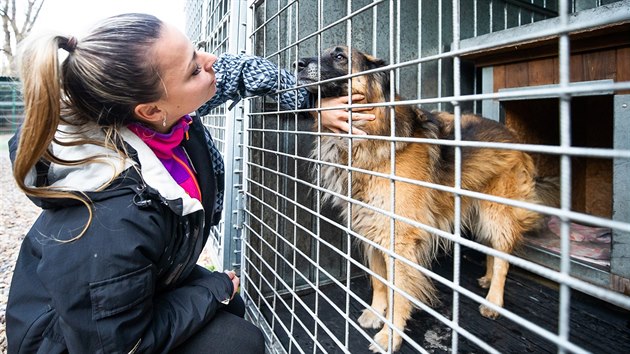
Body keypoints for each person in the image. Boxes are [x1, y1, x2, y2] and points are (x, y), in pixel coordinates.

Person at [5, 13, 374, 354]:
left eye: (196, 50)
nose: (210, 60)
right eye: (194, 69)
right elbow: (119, 344)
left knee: (234, 307)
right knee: (239, 342)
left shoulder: (166, 115)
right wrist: (213, 288)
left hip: (136, 286)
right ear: (150, 111)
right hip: (73, 342)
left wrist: (311, 104)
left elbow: (239, 71)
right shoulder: (110, 220)